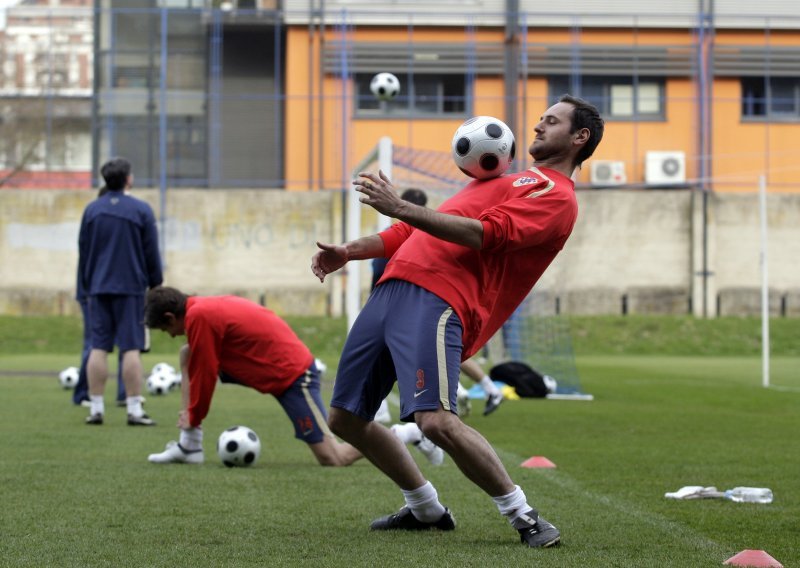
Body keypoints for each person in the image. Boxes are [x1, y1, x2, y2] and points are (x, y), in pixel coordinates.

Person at [310, 94, 603, 547]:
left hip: (440, 297)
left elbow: (488, 235)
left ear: (579, 137)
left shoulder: (555, 195)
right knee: (345, 419)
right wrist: (348, 251)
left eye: (552, 121)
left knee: (435, 421)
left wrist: (401, 206)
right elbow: (410, 230)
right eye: (540, 120)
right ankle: (425, 508)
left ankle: (524, 516)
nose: (538, 127)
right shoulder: (499, 179)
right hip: (390, 292)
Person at [143, 286, 363, 467]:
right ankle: (189, 446)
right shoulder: (198, 308)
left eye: (165, 330)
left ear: (170, 317)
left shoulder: (199, 315)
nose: (171, 336)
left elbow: (205, 375)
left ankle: (392, 438)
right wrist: (193, 414)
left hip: (294, 376)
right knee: (187, 353)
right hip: (274, 372)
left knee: (333, 458)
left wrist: (194, 414)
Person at [78, 157, 163, 426]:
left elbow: (84, 250)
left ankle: (96, 408)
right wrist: (156, 283)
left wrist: (86, 285)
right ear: (128, 179)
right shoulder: (140, 210)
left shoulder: (92, 210)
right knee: (131, 348)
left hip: (99, 287)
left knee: (99, 346)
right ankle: (134, 410)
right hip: (130, 288)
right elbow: (152, 252)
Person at [72, 186, 127, 408]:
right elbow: (85, 257)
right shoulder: (96, 219)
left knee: (120, 344)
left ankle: (124, 395)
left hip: (98, 290)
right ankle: (83, 393)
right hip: (96, 292)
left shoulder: (98, 219)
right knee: (97, 344)